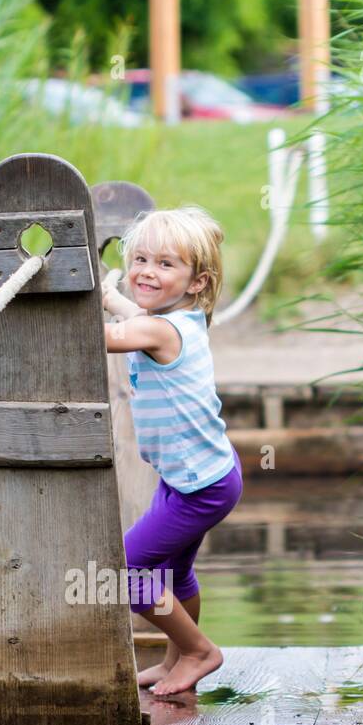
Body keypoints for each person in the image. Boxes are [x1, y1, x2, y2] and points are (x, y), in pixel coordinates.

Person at [102, 206, 243, 697]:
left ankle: (201, 651)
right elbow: (132, 316)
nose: (145, 271)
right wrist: (108, 295)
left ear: (197, 282)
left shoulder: (161, 331)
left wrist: (69, 303)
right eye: (140, 258)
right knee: (173, 571)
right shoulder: (175, 319)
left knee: (127, 573)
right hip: (198, 476)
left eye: (165, 264)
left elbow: (105, 337)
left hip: (199, 488)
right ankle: (176, 659)